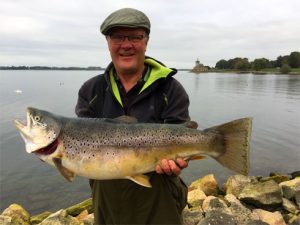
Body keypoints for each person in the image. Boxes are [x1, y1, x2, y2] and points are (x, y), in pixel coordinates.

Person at [75, 8, 190, 225]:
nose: (126, 44)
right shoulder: (91, 91)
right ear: (108, 42)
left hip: (160, 195)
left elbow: (181, 135)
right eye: (117, 36)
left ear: (146, 41)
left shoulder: (171, 90)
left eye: (135, 36)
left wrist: (179, 161)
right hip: (106, 199)